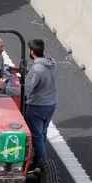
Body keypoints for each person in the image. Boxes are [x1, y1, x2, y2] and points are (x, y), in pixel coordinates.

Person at [24, 38, 58, 166]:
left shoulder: (37, 69)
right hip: (51, 103)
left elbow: (26, 90)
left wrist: (7, 89)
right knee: (43, 132)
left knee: (36, 136)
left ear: (31, 51)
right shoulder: (52, 63)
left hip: (37, 106)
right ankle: (42, 159)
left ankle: (42, 164)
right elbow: (46, 78)